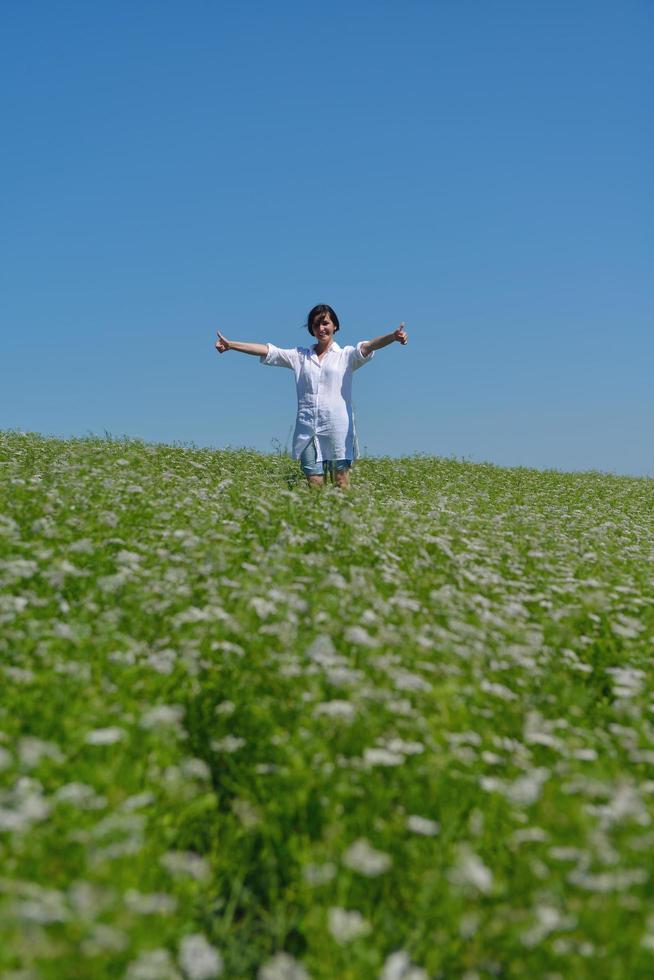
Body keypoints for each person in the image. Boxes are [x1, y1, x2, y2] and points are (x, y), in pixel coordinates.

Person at [214, 304, 408, 489]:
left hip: (337, 427)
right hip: (307, 429)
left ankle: (345, 521)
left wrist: (393, 337)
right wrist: (231, 345)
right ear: (311, 329)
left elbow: (368, 347)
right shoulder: (300, 356)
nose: (321, 328)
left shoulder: (346, 356)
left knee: (340, 482)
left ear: (335, 326)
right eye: (316, 324)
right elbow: (268, 350)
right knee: (314, 483)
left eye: (325, 323)